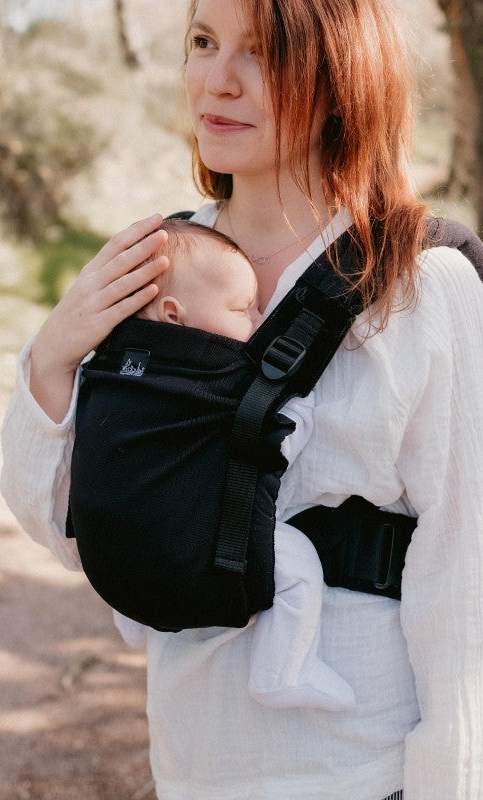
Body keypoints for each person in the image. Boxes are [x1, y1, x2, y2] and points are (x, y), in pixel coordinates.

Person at [0, 0, 483, 797]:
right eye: (204, 43)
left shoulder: (426, 288)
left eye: (264, 52)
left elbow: (472, 591)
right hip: (192, 767)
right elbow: (85, 529)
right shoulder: (159, 270)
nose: (218, 79)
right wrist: (52, 357)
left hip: (361, 771)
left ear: (345, 77)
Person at [111, 217, 357, 711]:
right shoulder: (219, 382)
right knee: (299, 568)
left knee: (127, 538)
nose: (260, 317)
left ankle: (131, 620)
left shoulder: (115, 363)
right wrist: (299, 412)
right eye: (243, 308)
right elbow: (270, 450)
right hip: (198, 541)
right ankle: (281, 672)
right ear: (176, 315)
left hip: (120, 553)